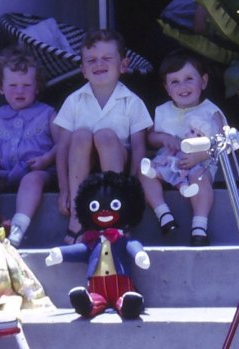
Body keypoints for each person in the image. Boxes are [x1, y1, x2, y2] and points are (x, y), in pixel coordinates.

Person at [54, 29, 153, 244]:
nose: (99, 64)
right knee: (80, 135)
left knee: (106, 136)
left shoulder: (132, 102)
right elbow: (62, 148)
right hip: (82, 169)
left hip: (117, 166)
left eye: (107, 58)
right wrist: (63, 190)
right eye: (91, 60)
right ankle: (77, 219)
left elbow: (138, 148)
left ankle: (116, 216)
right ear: (83, 69)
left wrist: (133, 189)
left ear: (123, 65)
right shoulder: (74, 101)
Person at [138, 50, 228, 246]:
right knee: (145, 173)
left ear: (203, 82)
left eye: (189, 79)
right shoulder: (162, 111)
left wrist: (199, 156)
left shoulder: (211, 112)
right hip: (169, 163)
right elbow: (151, 138)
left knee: (200, 179)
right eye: (175, 82)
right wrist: (162, 137)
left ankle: (199, 227)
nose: (183, 86)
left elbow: (223, 143)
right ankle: (164, 215)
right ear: (167, 88)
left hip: (200, 163)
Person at [0, 46, 59, 247]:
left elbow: (62, 145)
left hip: (36, 169)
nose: (19, 90)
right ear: (1, 87)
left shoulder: (47, 113)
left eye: (26, 85)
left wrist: (46, 159)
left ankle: (18, 226)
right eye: (13, 85)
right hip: (4, 170)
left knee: (32, 180)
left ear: (37, 87)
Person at [140, 113, 219, 198]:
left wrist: (196, 159)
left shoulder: (198, 153)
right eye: (192, 132)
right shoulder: (181, 144)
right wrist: (165, 160)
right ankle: (153, 173)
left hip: (185, 171)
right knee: (165, 171)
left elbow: (216, 148)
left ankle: (185, 190)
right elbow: (171, 152)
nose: (193, 136)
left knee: (183, 181)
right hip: (172, 165)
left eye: (199, 135)